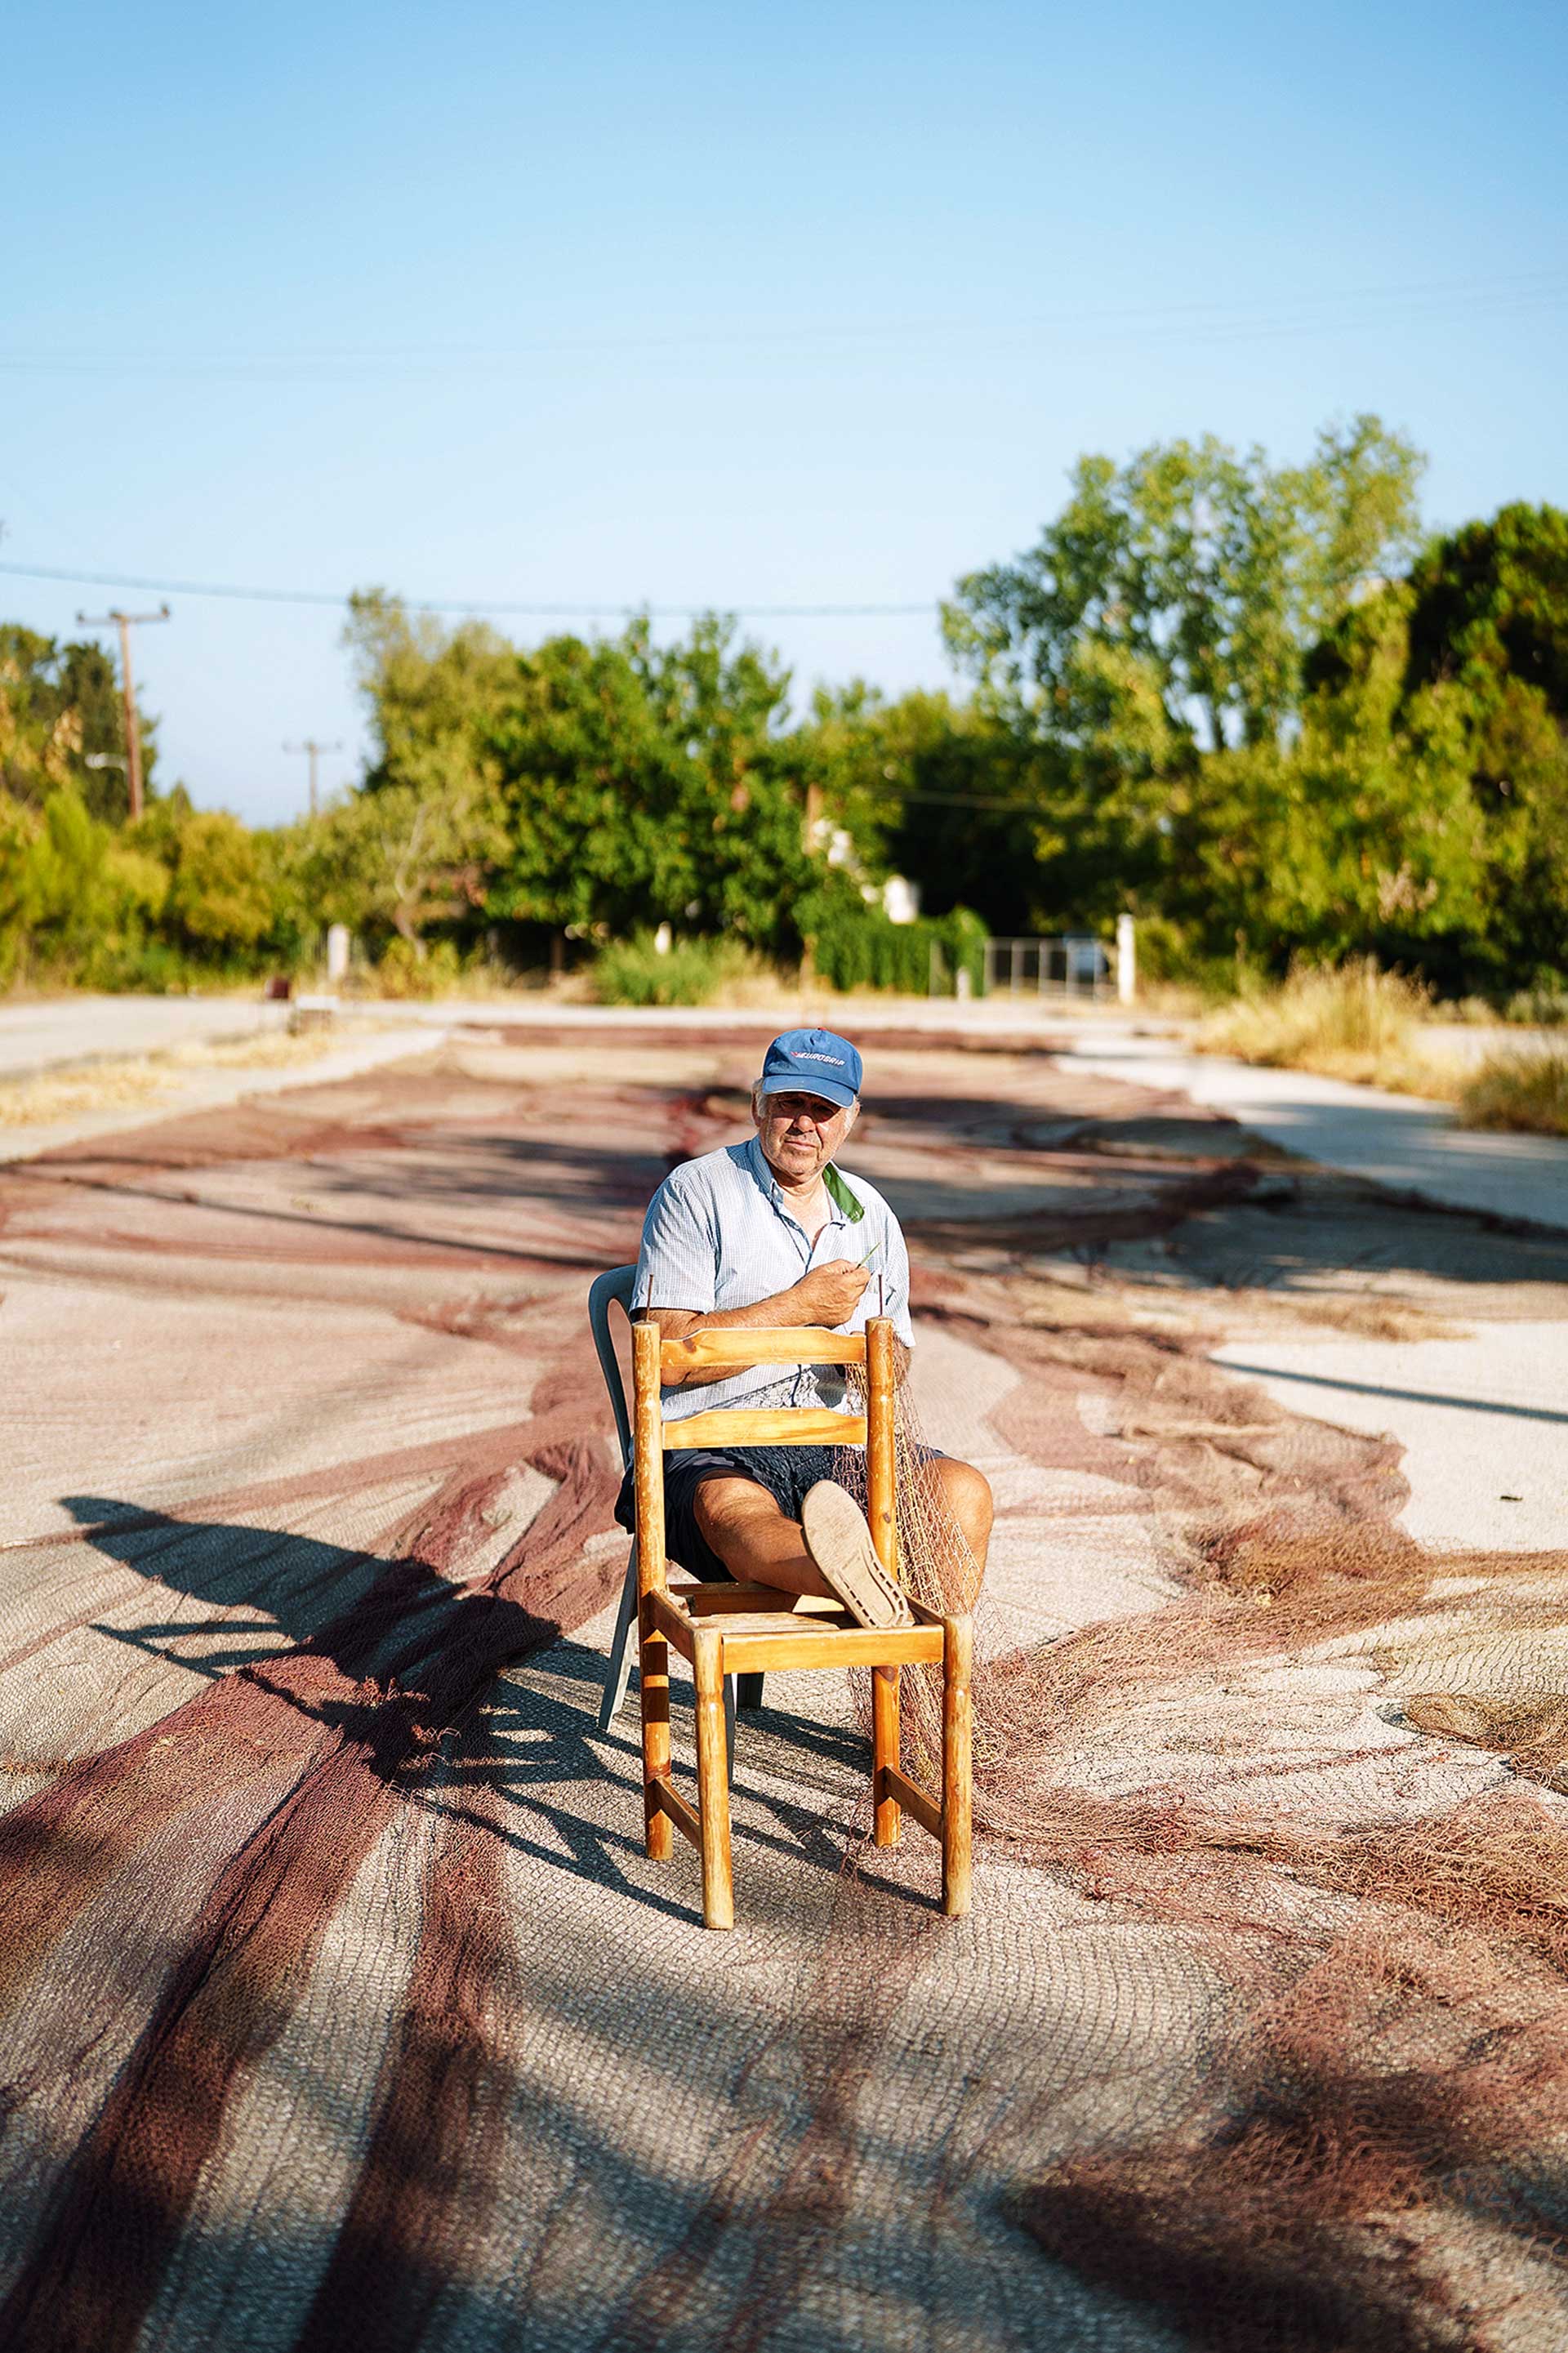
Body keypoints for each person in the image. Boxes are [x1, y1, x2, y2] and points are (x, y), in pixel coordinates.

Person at [617, 1025, 993, 1626]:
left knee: (962, 1493)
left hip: (835, 1449)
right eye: (790, 1103)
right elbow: (667, 1356)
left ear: (850, 1119)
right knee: (738, 1514)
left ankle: (915, 1667)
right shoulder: (696, 1192)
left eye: (823, 1109)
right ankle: (855, 1579)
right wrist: (800, 1307)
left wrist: (867, 1355)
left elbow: (896, 1362)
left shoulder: (871, 1215)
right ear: (758, 1103)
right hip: (712, 1448)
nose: (804, 1124)